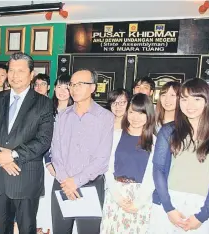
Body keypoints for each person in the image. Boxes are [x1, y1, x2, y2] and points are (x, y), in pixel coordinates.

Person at [0, 52, 54, 234]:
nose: (14, 75)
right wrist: (0, 157)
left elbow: (43, 140)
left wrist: (12, 155)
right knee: (1, 226)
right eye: (11, 70)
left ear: (31, 74)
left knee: (27, 227)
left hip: (25, 176)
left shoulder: (43, 103)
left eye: (20, 71)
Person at [150, 78, 209, 234]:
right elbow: (158, 169)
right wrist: (168, 208)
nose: (189, 105)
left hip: (202, 205)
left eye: (196, 99)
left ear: (207, 100)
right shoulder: (168, 131)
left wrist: (203, 214)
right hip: (167, 202)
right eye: (184, 99)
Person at [51, 69, 114, 234]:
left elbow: (102, 159)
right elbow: (56, 152)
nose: (74, 88)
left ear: (93, 88)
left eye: (80, 84)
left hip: (90, 184)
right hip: (62, 184)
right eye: (72, 84)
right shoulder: (63, 116)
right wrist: (66, 181)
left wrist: (76, 181)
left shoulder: (105, 117)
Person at [101, 93, 156, 233]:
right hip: (115, 194)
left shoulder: (155, 142)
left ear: (148, 115)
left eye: (141, 113)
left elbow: (154, 175)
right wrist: (117, 196)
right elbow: (107, 168)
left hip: (140, 198)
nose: (135, 117)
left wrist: (139, 201)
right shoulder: (115, 136)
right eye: (132, 112)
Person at [37, 74, 74, 233]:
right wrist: (48, 161)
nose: (62, 91)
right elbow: (41, 137)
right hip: (48, 163)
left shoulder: (76, 111)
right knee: (46, 201)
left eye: (66, 87)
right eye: (59, 86)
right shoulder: (46, 110)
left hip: (69, 165)